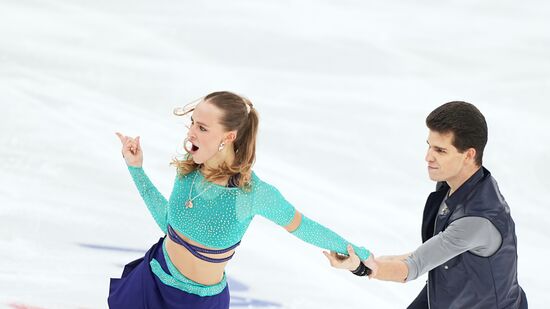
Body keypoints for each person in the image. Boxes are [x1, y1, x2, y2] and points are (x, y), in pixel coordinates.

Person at [109, 91, 374, 308]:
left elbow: (304, 227)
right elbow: (171, 225)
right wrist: (136, 168)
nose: (190, 133)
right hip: (152, 282)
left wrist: (361, 254)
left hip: (199, 304)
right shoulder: (189, 168)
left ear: (229, 136)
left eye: (201, 128)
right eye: (192, 123)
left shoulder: (252, 193)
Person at [324, 101, 527, 308]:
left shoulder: (475, 220)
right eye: (429, 145)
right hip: (452, 289)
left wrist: (363, 267)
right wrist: (370, 260)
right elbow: (431, 252)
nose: (428, 157)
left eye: (440, 150)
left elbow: (413, 266)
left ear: (468, 155)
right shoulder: (458, 182)